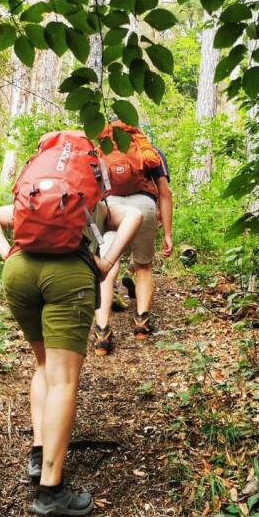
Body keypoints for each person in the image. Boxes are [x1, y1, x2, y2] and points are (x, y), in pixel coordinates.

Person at [0, 199, 141, 516]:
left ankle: (40, 455)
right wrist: (106, 263)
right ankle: (51, 489)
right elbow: (134, 214)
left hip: (18, 270)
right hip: (68, 274)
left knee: (43, 365)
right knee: (63, 380)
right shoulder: (93, 197)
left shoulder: (37, 195)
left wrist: (7, 253)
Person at [93, 133, 173, 355]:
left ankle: (101, 331)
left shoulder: (101, 150)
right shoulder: (150, 150)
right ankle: (141, 323)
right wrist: (167, 233)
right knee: (143, 266)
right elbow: (165, 194)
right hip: (144, 206)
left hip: (111, 207)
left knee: (107, 267)